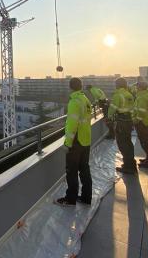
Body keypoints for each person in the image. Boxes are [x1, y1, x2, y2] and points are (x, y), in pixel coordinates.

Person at [56, 77, 93, 206]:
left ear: (70, 87)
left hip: (76, 141)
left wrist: (68, 143)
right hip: (86, 139)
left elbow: (72, 125)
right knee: (84, 169)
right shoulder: (86, 99)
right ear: (81, 86)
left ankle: (70, 199)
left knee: (71, 171)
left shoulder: (74, 102)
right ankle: (86, 197)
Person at [108, 77, 136, 174]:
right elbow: (132, 109)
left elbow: (112, 109)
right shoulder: (129, 94)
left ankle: (128, 167)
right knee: (128, 143)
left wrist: (109, 117)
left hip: (121, 122)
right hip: (128, 121)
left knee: (122, 144)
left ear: (118, 85)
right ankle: (131, 165)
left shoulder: (118, 95)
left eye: (115, 84)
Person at [133, 81, 148, 168]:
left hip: (142, 123)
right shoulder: (144, 95)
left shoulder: (142, 97)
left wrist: (135, 120)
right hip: (146, 122)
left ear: (141, 87)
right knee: (146, 142)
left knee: (145, 142)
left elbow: (141, 112)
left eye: (137, 86)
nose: (136, 88)